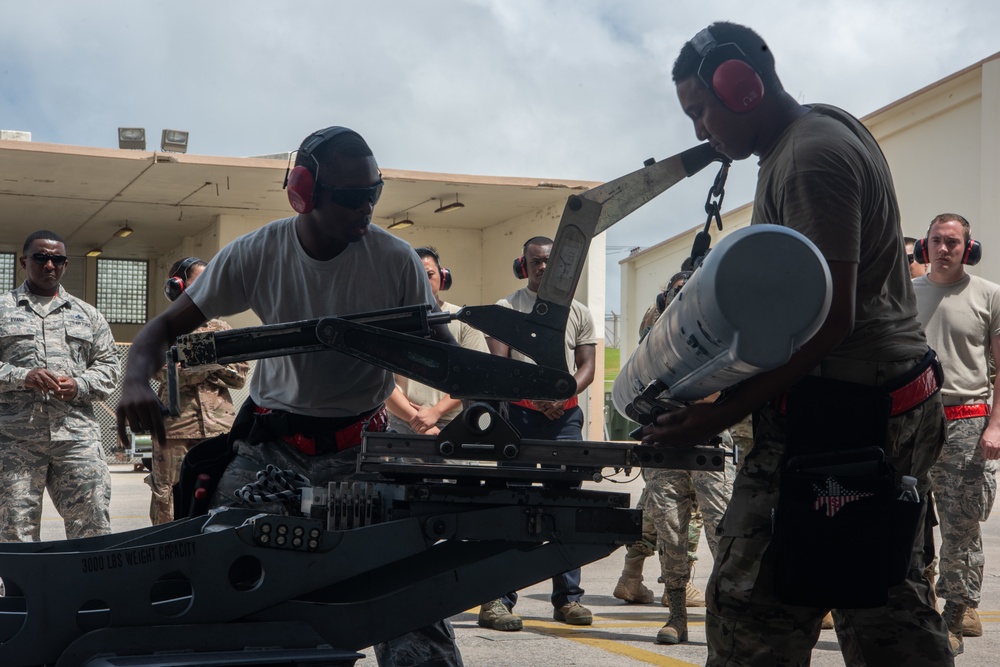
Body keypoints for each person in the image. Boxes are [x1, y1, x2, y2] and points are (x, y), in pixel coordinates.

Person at [645, 22, 953, 665]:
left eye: (700, 109)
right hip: (870, 408)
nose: (700, 129)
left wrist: (720, 413)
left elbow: (833, 320)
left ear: (741, 87)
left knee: (754, 616)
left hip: (841, 419)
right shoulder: (812, 134)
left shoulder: (810, 156)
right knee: (881, 592)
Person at [116, 126, 463, 667]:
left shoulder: (394, 260)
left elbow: (448, 357)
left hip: (362, 453)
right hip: (270, 454)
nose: (365, 208)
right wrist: (134, 379)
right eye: (350, 198)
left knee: (416, 619)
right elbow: (159, 332)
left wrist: (493, 393)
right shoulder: (257, 253)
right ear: (304, 193)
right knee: (228, 593)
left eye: (374, 193)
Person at [477, 236, 597, 632]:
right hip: (519, 418)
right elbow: (500, 366)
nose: (543, 267)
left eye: (549, 262)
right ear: (522, 265)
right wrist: (534, 395)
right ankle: (497, 600)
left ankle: (568, 600)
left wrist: (562, 394)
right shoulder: (505, 309)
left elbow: (587, 366)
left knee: (566, 504)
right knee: (512, 505)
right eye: (535, 261)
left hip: (565, 419)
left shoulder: (579, 312)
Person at [912, 213, 1000, 653]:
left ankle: (954, 614)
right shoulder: (906, 296)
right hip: (913, 421)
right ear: (924, 248)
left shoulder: (989, 295)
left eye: (953, 241)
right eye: (937, 241)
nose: (944, 249)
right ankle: (920, 606)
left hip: (967, 421)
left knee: (960, 526)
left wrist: (996, 426)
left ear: (969, 247)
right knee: (908, 521)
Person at [0, 230, 119, 542]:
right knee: (15, 530)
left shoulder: (88, 314)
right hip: (15, 442)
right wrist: (20, 376)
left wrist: (79, 384)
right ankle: (20, 593)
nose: (49, 264)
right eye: (41, 257)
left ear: (65, 265)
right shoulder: (3, 309)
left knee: (92, 524)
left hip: (76, 438)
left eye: (57, 259)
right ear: (24, 261)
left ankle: (92, 591)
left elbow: (109, 367)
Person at [148, 257, 248, 524]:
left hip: (220, 430)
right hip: (176, 431)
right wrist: (216, 360)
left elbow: (239, 377)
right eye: (199, 281)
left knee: (222, 493)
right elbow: (165, 374)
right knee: (169, 499)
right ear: (177, 285)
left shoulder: (222, 328)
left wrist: (193, 360)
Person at [385, 247, 488, 436]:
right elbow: (382, 384)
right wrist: (418, 420)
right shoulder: (390, 324)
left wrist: (436, 412)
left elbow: (477, 375)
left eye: (429, 274)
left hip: (456, 424)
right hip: (402, 426)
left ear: (443, 278)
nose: (422, 282)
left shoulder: (464, 321)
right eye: (416, 275)